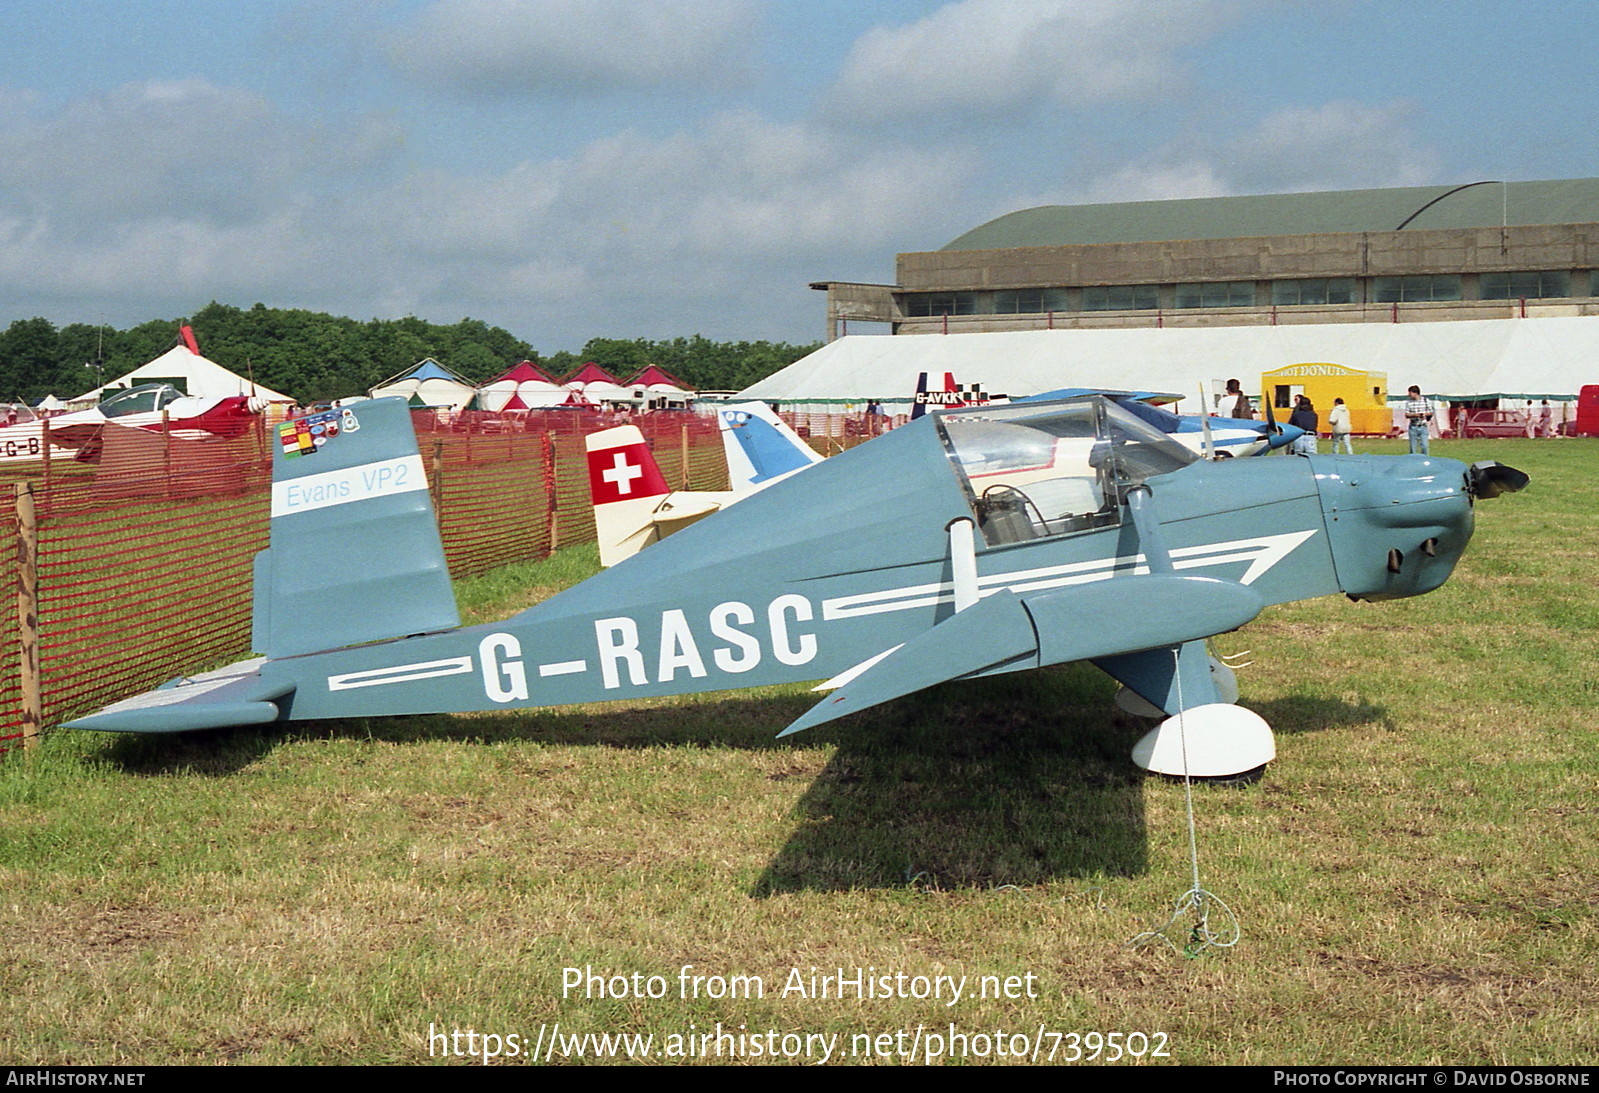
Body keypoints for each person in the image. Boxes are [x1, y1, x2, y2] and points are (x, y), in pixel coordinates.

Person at [1403, 386, 1432, 455]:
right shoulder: (1408, 402)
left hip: (1423, 426)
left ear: (1415, 393)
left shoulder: (1425, 400)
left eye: (1410, 392)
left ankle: (1425, 459)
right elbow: (1407, 414)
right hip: (1413, 426)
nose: (1409, 394)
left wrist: (1424, 414)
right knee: (1413, 447)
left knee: (1425, 446)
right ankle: (1413, 461)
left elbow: (1430, 412)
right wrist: (1416, 415)